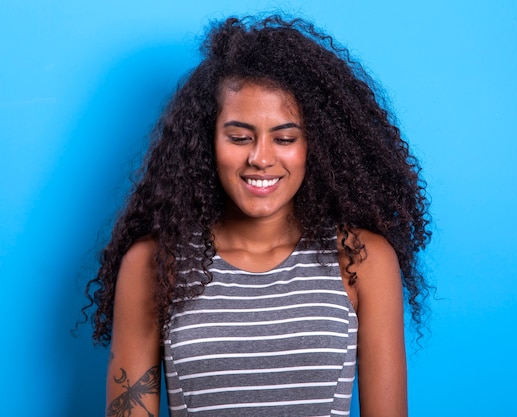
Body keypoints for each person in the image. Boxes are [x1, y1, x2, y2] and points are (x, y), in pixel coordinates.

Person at [83, 14, 431, 417]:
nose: (261, 158)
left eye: (284, 138)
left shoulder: (361, 260)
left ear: (314, 145)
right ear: (206, 140)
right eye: (239, 137)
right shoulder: (155, 264)